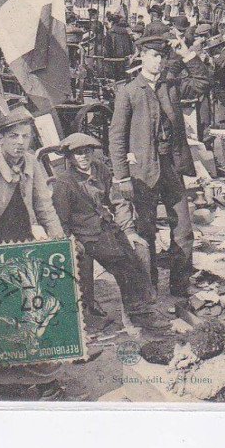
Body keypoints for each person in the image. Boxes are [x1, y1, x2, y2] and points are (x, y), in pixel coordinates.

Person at [109, 35, 210, 299]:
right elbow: (117, 137)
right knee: (145, 231)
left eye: (162, 56)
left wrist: (187, 53)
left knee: (184, 230)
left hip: (171, 167)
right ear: (142, 56)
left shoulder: (171, 87)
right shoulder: (129, 91)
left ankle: (180, 285)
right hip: (142, 172)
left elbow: (201, 82)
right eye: (153, 55)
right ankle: (148, 287)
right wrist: (122, 177)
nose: (159, 61)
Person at [51, 133, 156, 324]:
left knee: (140, 248)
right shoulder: (65, 183)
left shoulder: (100, 170)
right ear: (69, 158)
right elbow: (60, 221)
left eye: (87, 151)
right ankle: (132, 312)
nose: (83, 157)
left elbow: (118, 201)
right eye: (77, 153)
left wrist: (130, 231)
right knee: (122, 263)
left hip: (108, 230)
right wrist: (72, 241)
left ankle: (141, 307)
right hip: (86, 237)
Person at [0, 106, 64, 244]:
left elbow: (45, 207)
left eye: (25, 136)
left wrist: (60, 240)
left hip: (25, 234)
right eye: (14, 136)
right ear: (0, 139)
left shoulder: (31, 162)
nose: (20, 142)